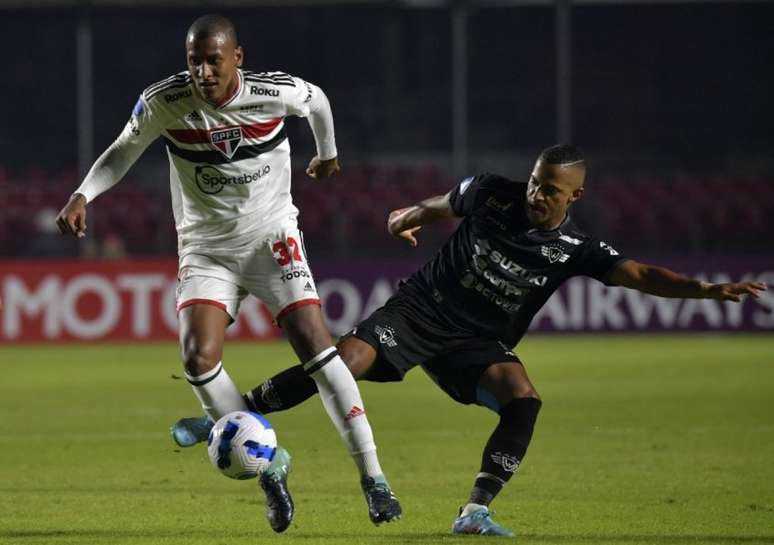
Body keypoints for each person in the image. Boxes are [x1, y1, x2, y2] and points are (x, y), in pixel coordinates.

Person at [174, 143, 768, 535]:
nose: (537, 194)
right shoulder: (492, 192)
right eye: (536, 182)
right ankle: (231, 415)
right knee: (342, 360)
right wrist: (409, 214)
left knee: (523, 398)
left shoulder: (575, 250)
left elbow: (638, 274)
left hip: (476, 343)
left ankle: (475, 511)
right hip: (419, 311)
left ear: (575, 196)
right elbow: (444, 203)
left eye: (551, 190)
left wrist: (705, 291)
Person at [55, 14, 400, 532]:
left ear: (237, 57)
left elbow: (319, 101)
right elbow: (123, 150)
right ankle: (270, 469)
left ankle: (373, 478)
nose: (203, 71)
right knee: (198, 358)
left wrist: (328, 154)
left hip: (271, 238)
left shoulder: (273, 92)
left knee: (316, 346)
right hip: (206, 247)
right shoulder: (163, 102)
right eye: (194, 61)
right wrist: (84, 193)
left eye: (213, 60)